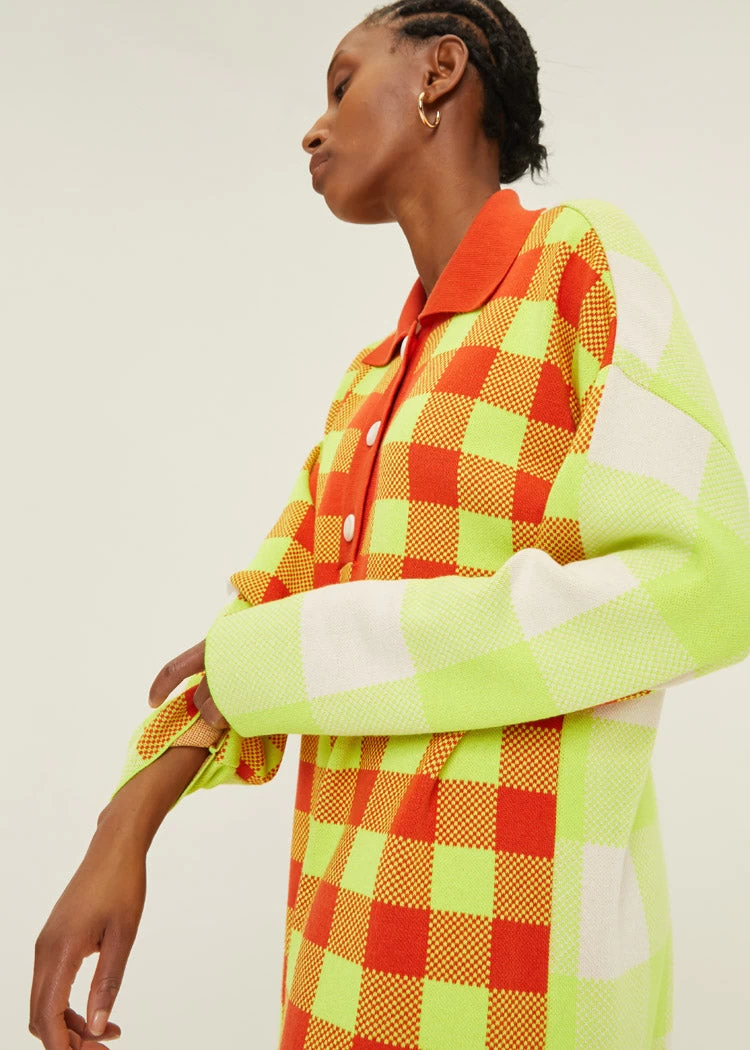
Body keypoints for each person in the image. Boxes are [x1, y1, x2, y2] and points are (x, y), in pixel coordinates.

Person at [29, 3, 750, 1049]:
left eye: (340, 84)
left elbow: (706, 580)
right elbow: (253, 627)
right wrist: (120, 829)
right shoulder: (367, 382)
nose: (312, 129)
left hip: (516, 973)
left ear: (440, 71)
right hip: (337, 967)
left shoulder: (577, 260)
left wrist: (313, 648)